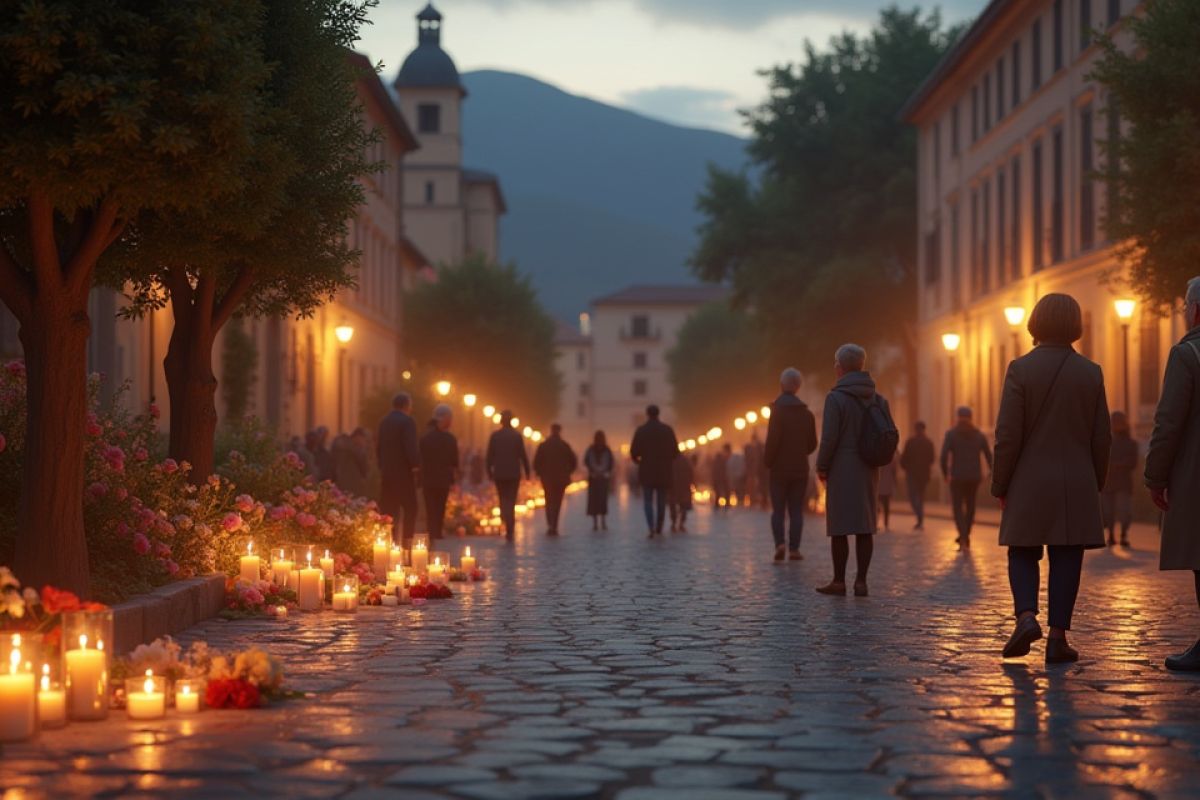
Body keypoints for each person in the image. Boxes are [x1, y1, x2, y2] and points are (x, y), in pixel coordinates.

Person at [993, 293, 1111, 665]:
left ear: (1036, 322)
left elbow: (1007, 435)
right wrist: (1095, 480)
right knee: (1067, 556)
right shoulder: (1091, 372)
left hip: (1028, 478)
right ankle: (1058, 638)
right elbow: (1101, 436)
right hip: (1076, 477)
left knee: (1023, 550)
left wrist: (1000, 483)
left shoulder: (1020, 369)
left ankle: (1026, 617)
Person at [1145, 276, 1200, 672]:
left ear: (1195, 310)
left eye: (1184, 307)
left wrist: (1155, 476)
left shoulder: (1188, 356)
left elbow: (1168, 422)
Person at [815, 344, 893, 597]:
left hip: (841, 467)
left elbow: (829, 439)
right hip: (869, 468)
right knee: (865, 525)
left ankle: (839, 581)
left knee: (839, 526)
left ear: (840, 368)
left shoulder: (835, 398)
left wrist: (822, 466)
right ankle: (861, 581)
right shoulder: (878, 398)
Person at [764, 367, 818, 562]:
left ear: (782, 385)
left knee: (778, 510)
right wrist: (800, 452)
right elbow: (812, 444)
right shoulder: (807, 414)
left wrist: (768, 462)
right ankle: (794, 549)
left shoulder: (777, 412)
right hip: (799, 469)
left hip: (778, 469)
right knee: (796, 510)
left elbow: (772, 441)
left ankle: (780, 544)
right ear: (798, 387)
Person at [940, 406, 993, 549]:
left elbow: (943, 456)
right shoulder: (979, 435)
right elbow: (988, 455)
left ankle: (963, 535)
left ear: (958, 417)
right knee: (971, 507)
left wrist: (946, 474)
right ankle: (965, 535)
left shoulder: (951, 434)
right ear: (971, 417)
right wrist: (991, 472)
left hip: (957, 477)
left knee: (957, 508)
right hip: (974, 477)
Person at [377, 393, 420, 546]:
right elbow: (410, 446)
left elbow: (379, 447)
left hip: (387, 473)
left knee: (389, 512)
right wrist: (416, 465)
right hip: (403, 474)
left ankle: (390, 543)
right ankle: (407, 542)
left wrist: (382, 466)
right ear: (406, 406)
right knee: (411, 508)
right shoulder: (407, 422)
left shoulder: (384, 421)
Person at [629, 404, 679, 537]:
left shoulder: (641, 430)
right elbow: (675, 452)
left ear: (647, 414)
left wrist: (640, 462)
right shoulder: (667, 430)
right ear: (658, 414)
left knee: (648, 500)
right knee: (662, 500)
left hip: (647, 471)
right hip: (664, 471)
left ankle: (650, 527)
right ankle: (659, 526)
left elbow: (633, 452)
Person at [486, 410, 530, 540]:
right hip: (513, 473)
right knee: (511, 499)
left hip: (499, 473)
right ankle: (510, 525)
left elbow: (489, 456)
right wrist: (527, 472)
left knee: (502, 498)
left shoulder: (495, 436)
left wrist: (489, 471)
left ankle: (505, 520)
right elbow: (523, 455)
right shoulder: (516, 436)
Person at [419, 404, 459, 541]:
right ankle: (437, 532)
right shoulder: (450, 439)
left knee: (430, 507)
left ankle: (432, 531)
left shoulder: (425, 437)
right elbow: (455, 461)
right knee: (440, 506)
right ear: (445, 419)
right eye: (450, 418)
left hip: (428, 479)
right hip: (442, 479)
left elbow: (420, 458)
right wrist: (453, 478)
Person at [533, 424, 577, 535]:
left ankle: (550, 524)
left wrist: (539, 472)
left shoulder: (543, 445)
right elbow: (573, 461)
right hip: (561, 478)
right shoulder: (564, 445)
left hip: (547, 478)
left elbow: (536, 462)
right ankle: (554, 524)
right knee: (557, 502)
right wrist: (568, 471)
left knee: (549, 501)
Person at [1101, 411, 1138, 547]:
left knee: (1124, 512)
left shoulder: (1131, 443)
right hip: (1108, 482)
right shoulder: (1106, 441)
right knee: (1108, 512)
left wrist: (1118, 465)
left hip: (1124, 483)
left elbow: (1133, 463)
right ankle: (1111, 535)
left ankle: (1123, 535)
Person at [899, 422, 935, 530]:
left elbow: (904, 458)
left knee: (913, 496)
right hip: (923, 474)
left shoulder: (911, 442)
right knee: (920, 496)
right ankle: (920, 517)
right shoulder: (928, 443)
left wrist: (905, 467)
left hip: (912, 474)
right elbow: (932, 459)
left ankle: (919, 516)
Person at [583, 431, 614, 531]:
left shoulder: (591, 449)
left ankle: (596, 523)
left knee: (594, 500)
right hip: (602, 479)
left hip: (594, 478)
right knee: (602, 500)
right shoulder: (607, 450)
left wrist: (592, 470)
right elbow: (611, 463)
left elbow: (586, 461)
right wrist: (607, 472)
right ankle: (603, 522)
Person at [333, 432, 368, 498]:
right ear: (356, 437)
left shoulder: (339, 447)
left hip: (341, 480)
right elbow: (363, 465)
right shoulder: (354, 449)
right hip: (353, 481)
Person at [670, 453, 696, 532]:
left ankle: (674, 522)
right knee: (684, 505)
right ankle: (681, 523)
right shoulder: (686, 461)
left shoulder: (672, 461)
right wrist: (692, 483)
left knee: (673, 505)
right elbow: (691, 473)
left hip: (673, 486)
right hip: (684, 486)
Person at [877, 453, 897, 531]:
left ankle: (876, 522)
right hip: (887, 484)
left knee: (877, 505)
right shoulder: (891, 458)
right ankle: (886, 523)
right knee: (886, 506)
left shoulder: (877, 458)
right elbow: (894, 472)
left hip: (879, 485)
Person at [711, 445, 731, 511]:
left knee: (718, 492)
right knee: (725, 491)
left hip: (718, 479)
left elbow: (714, 471)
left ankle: (717, 504)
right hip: (722, 478)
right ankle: (726, 503)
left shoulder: (716, 462)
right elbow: (724, 470)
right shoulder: (722, 461)